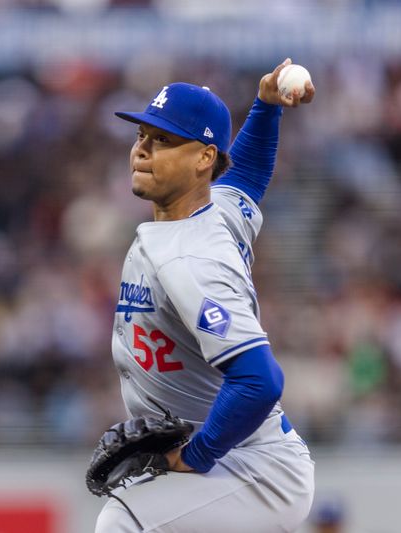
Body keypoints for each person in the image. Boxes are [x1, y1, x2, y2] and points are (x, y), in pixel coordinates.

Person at [95, 59, 316, 533]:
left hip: (256, 470)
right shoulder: (217, 207)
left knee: (122, 522)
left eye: (165, 140)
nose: (142, 150)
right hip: (240, 455)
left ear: (204, 159)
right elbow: (249, 176)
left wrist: (196, 456)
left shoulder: (191, 262)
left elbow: (260, 380)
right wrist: (267, 105)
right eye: (142, 136)